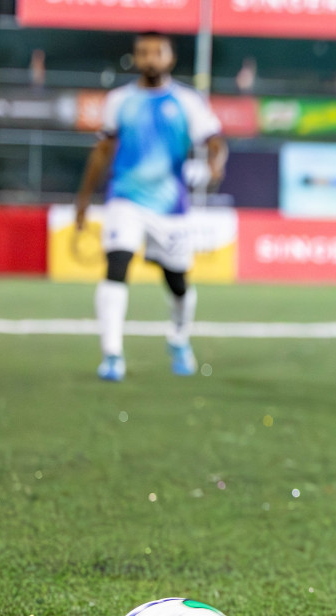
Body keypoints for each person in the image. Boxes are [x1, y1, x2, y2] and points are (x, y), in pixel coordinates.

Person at [73, 32, 225, 381]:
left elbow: (215, 141)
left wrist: (217, 161)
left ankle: (178, 338)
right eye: (143, 52)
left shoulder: (187, 102)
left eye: (157, 52)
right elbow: (102, 152)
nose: (150, 58)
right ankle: (112, 355)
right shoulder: (119, 100)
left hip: (170, 208)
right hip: (124, 199)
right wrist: (83, 199)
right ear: (135, 58)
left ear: (170, 58)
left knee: (177, 283)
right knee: (116, 266)